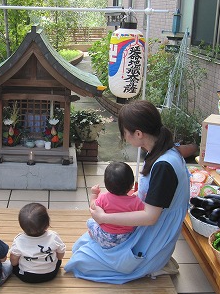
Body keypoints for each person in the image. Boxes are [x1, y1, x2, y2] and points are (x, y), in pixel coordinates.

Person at [64, 100, 190, 283]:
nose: (123, 136)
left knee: (81, 262)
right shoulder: (162, 150)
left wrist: (104, 218)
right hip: (150, 225)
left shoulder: (164, 165)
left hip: (156, 231)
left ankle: (156, 263)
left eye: (124, 132)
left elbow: (150, 217)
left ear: (138, 134)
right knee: (82, 246)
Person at [87, 161, 145, 249]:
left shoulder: (103, 198)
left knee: (90, 222)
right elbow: (144, 213)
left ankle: (93, 235)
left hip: (104, 238)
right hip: (126, 239)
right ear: (132, 184)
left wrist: (94, 194)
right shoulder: (136, 202)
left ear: (106, 184)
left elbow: (92, 206)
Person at [10, 203, 66, 283]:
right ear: (47, 224)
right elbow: (61, 255)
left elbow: (13, 261)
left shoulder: (19, 240)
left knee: (12, 266)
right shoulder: (53, 236)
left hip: (27, 276)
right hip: (51, 273)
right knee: (58, 261)